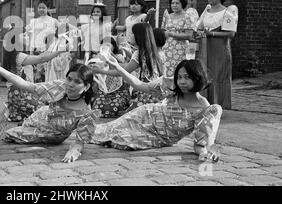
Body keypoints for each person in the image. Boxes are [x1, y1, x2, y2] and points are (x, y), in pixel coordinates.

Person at [92, 57, 222, 162]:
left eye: (187, 77)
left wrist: (205, 153)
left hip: (158, 137)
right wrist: (119, 68)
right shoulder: (171, 86)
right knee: (100, 132)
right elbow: (139, 85)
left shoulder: (204, 108)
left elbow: (200, 144)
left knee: (124, 140)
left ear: (198, 77)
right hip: (141, 117)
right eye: (179, 77)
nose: (181, 81)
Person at [0, 57, 98, 163]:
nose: (70, 84)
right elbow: (25, 85)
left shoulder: (87, 113)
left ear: (86, 87)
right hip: (42, 116)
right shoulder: (60, 86)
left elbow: (79, 142)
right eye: (69, 79)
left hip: (52, 134)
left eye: (77, 82)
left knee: (10, 134)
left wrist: (73, 152)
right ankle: (24, 123)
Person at [93, 23, 165, 110]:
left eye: (132, 33)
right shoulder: (158, 53)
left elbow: (121, 73)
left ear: (138, 36)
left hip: (143, 95)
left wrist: (100, 71)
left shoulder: (139, 54)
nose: (130, 35)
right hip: (158, 95)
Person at [5, 32, 69, 122]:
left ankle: (20, 114)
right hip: (21, 94)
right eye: (24, 35)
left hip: (18, 94)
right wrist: (60, 50)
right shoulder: (19, 56)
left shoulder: (17, 55)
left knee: (47, 105)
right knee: (47, 108)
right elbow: (41, 59)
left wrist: (53, 49)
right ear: (16, 42)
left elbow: (41, 57)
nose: (27, 37)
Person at [195, 0, 238, 109]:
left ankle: (218, 104)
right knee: (206, 73)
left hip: (220, 48)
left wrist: (212, 33)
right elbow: (199, 27)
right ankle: (205, 103)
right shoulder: (207, 10)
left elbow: (231, 33)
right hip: (205, 47)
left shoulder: (228, 11)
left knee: (218, 74)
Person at [89, 37, 131, 118]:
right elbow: (94, 71)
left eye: (108, 45)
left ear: (113, 47)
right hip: (104, 89)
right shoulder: (98, 57)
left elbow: (121, 65)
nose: (105, 47)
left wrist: (111, 55)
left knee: (116, 107)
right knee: (98, 107)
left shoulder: (119, 56)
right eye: (103, 45)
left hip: (119, 90)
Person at [25, 0, 60, 83]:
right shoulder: (34, 21)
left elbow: (59, 31)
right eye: (39, 7)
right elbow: (30, 36)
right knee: (36, 75)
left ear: (47, 8)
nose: (41, 10)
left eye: (43, 8)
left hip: (47, 50)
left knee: (45, 75)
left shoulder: (52, 21)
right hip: (36, 50)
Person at [161, 0, 194, 77]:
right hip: (166, 49)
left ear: (182, 3)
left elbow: (189, 35)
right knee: (166, 72)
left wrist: (172, 34)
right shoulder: (167, 16)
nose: (174, 5)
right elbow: (162, 30)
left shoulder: (187, 16)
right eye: (172, 3)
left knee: (179, 72)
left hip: (180, 50)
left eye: (177, 3)